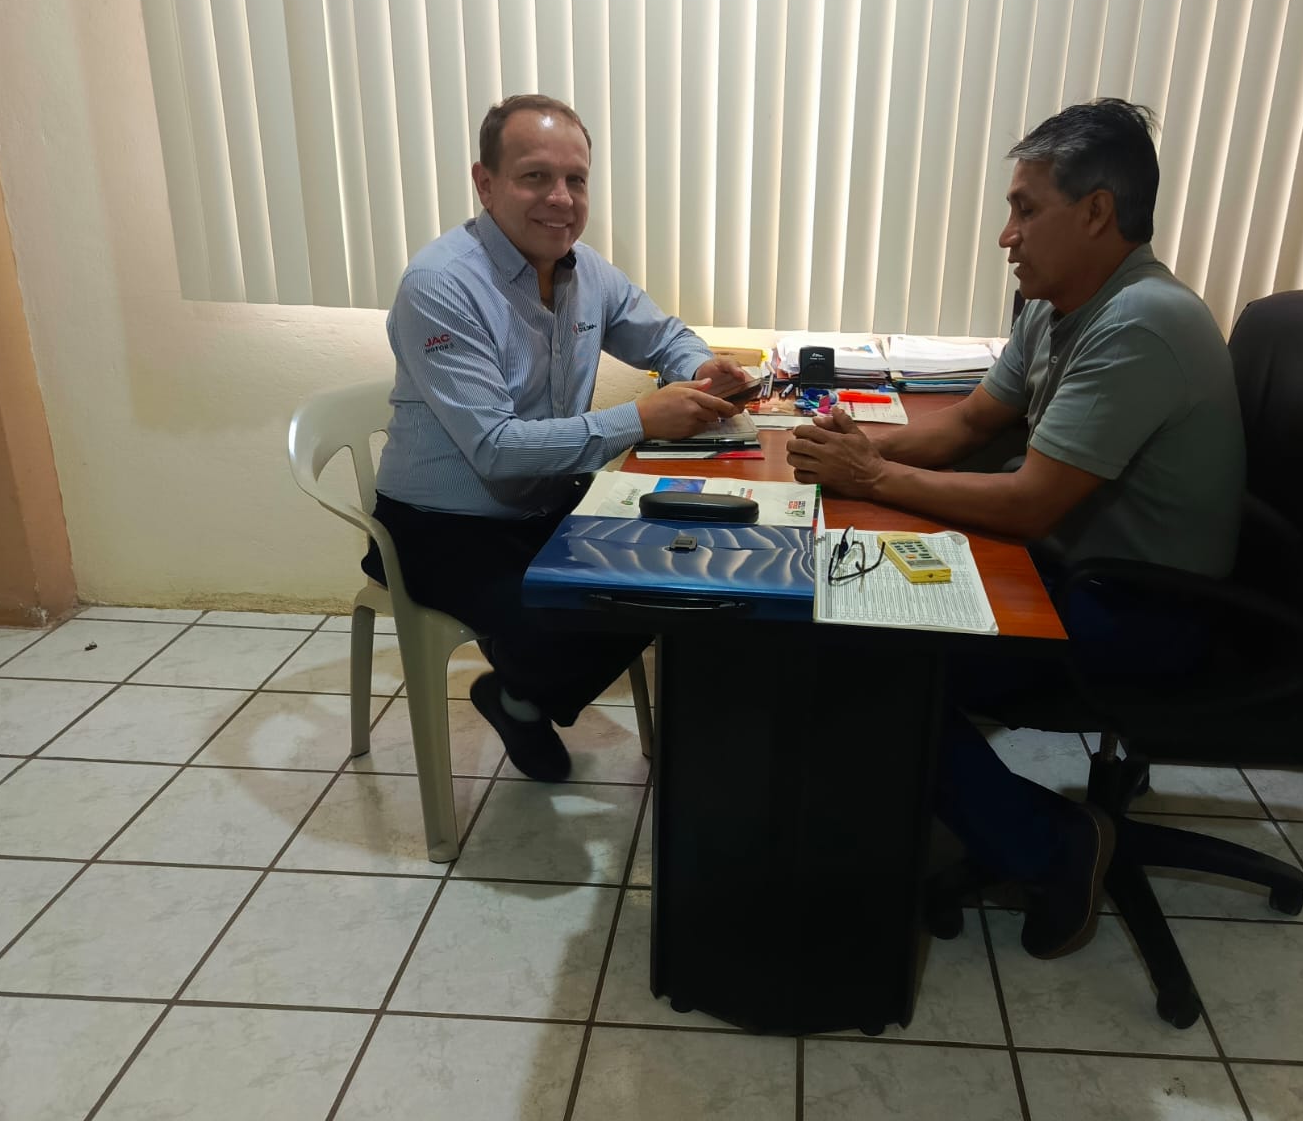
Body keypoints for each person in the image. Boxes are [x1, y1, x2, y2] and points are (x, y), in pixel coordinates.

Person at [786, 99, 1245, 958]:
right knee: (858, 623)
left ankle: (1056, 848)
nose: (1007, 235)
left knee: (874, 661)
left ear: (1097, 212)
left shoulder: (1143, 322)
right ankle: (938, 812)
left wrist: (870, 476)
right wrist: (851, 446)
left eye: (1026, 210)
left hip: (1142, 609)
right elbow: (970, 426)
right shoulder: (1055, 302)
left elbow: (1032, 502)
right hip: (1073, 570)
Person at [365, 93, 747, 782]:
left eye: (576, 179)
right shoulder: (440, 284)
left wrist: (699, 368)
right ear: (485, 183)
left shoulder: (586, 269)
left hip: (548, 502)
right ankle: (520, 690)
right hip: (442, 527)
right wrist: (640, 419)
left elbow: (664, 336)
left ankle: (520, 690)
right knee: (592, 608)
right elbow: (496, 450)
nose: (561, 199)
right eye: (535, 176)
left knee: (679, 571)